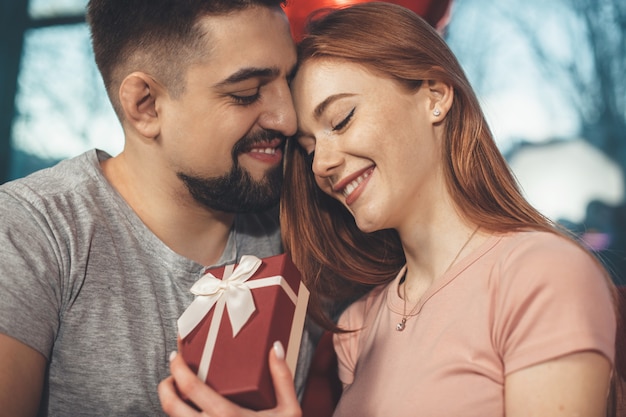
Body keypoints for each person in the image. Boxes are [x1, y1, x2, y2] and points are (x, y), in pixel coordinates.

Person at [159, 2, 619, 416]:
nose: (323, 163)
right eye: (308, 147)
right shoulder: (359, 326)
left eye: (341, 119)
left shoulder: (540, 274)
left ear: (435, 94)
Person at [0, 0, 320, 415]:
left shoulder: (306, 222)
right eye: (246, 94)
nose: (287, 118)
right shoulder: (33, 233)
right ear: (146, 105)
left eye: (288, 81)